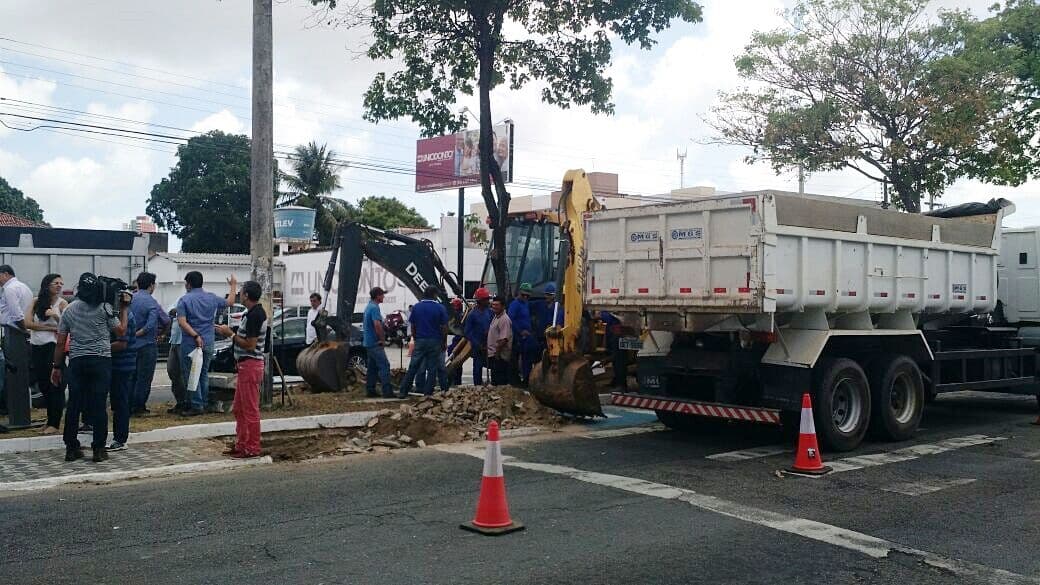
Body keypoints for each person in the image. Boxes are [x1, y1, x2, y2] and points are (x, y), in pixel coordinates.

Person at [51, 272, 129, 463]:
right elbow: (121, 331)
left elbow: (61, 343)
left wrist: (57, 366)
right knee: (98, 405)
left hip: (77, 361)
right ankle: (99, 449)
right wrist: (124, 308)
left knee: (74, 405)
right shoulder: (105, 308)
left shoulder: (69, 310)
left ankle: (71, 448)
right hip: (101, 361)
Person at [216, 281, 267, 458]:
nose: (239, 294)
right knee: (239, 408)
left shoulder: (255, 315)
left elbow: (250, 345)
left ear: (246, 295)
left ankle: (252, 447)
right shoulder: (251, 313)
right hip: (245, 365)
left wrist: (230, 334)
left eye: (241, 292)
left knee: (250, 409)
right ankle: (242, 443)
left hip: (250, 364)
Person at [176, 271, 236, 416]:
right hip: (209, 341)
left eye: (186, 283)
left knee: (191, 374)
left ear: (189, 284)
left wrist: (195, 335)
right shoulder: (211, 297)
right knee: (203, 373)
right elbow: (230, 302)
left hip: (191, 343)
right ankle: (204, 402)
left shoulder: (184, 300)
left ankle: (196, 405)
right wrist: (233, 285)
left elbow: (182, 322)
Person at [27, 274, 68, 434]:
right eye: (55, 283)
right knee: (43, 383)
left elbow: (65, 326)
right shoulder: (36, 301)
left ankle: (55, 423)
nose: (59, 286)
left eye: (61, 284)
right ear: (47, 285)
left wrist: (56, 316)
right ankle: (49, 419)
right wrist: (49, 328)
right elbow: (28, 323)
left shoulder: (62, 303)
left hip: (53, 347)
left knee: (54, 384)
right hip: (37, 346)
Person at [129, 272, 171, 416]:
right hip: (147, 345)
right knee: (144, 377)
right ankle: (139, 407)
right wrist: (162, 334)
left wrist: (130, 335)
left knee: (131, 376)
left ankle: (128, 405)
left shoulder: (130, 299)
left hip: (129, 346)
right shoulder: (152, 303)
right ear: (152, 285)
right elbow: (161, 321)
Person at [398, 286, 448, 397]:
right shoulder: (440, 308)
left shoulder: (416, 307)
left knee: (413, 366)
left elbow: (413, 326)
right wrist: (443, 342)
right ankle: (427, 393)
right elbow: (444, 327)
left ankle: (403, 391)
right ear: (434, 295)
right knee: (432, 368)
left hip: (420, 340)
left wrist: (416, 338)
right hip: (435, 341)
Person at [0, 264, 34, 416]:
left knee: (13, 373)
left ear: (5, 274)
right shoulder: (24, 287)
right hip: (17, 333)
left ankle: (15, 413)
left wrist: (22, 329)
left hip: (14, 332)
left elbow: (17, 313)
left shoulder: (9, 288)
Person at [108, 307, 137, 452]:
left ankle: (120, 438)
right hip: (116, 364)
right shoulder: (116, 315)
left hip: (123, 364)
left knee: (121, 402)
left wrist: (99, 347)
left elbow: (122, 343)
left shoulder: (126, 316)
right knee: (117, 402)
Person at [362, 287, 394, 398]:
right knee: (384, 365)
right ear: (377, 296)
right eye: (382, 295)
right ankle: (387, 391)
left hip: (368, 342)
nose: (383, 297)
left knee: (372, 367)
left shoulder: (368, 306)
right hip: (375, 343)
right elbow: (377, 324)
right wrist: (382, 339)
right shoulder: (375, 308)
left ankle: (370, 390)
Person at [507, 282, 536, 386]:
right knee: (515, 359)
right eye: (523, 295)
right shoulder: (515, 305)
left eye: (527, 295)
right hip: (517, 337)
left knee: (527, 358)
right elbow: (510, 320)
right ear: (519, 293)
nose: (525, 297)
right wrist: (520, 331)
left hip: (526, 337)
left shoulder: (526, 304)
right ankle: (515, 381)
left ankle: (526, 378)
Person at [464, 287, 493, 386]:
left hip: (488, 343)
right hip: (477, 345)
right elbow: (467, 332)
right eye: (486, 299)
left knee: (492, 365)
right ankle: (477, 385)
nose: (488, 301)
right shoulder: (472, 315)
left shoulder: (489, 312)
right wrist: (477, 344)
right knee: (477, 366)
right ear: (480, 301)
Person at [165, 308, 188, 414]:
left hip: (184, 341)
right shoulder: (181, 300)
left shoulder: (190, 300)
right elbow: (171, 313)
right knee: (172, 371)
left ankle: (186, 402)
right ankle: (180, 401)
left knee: (184, 373)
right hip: (174, 340)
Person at [600, 310, 629, 392]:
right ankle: (617, 381)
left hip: (618, 329)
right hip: (615, 329)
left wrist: (601, 315)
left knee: (619, 358)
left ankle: (621, 385)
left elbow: (609, 317)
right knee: (616, 359)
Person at [487, 296, 512, 386]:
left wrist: (497, 353)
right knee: (495, 381)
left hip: (500, 356)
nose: (494, 307)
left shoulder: (504, 319)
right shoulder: (496, 316)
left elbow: (504, 339)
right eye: (493, 305)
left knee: (500, 382)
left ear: (503, 306)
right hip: (494, 354)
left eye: (497, 305)